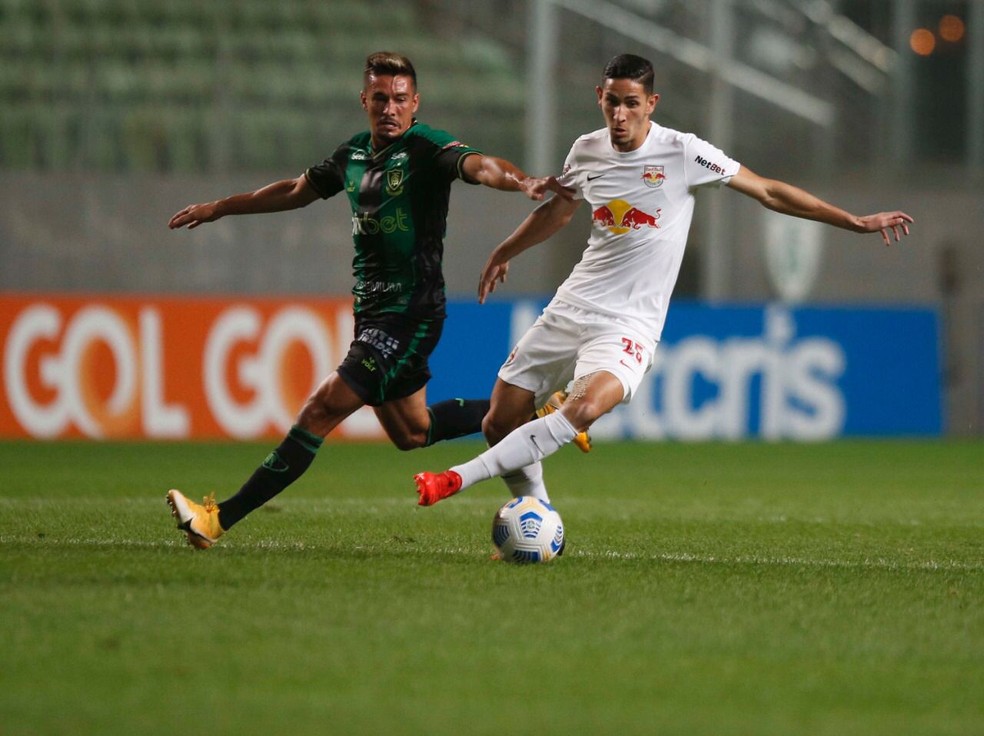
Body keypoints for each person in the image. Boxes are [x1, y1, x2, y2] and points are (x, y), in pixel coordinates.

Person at [413, 53, 913, 507]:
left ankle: (455, 479)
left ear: (651, 103)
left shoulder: (684, 153)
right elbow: (560, 212)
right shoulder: (586, 151)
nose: (620, 115)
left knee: (585, 406)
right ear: (600, 99)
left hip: (629, 323)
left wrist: (854, 221)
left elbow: (768, 191)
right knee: (498, 422)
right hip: (572, 305)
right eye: (612, 102)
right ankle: (538, 510)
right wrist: (506, 249)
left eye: (632, 104)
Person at [165, 51, 576, 549]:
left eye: (400, 99)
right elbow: (296, 189)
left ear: (415, 103)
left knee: (320, 408)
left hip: (412, 312)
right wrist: (219, 208)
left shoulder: (428, 148)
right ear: (365, 100)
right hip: (372, 315)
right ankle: (538, 411)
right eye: (380, 98)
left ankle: (217, 519)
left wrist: (521, 180)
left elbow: (480, 165)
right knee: (412, 431)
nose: (390, 108)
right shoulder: (353, 154)